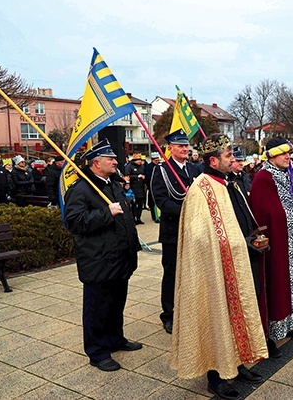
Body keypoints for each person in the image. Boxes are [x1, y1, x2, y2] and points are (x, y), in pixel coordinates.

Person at [170, 134, 267, 400]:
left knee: (235, 316)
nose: (233, 159)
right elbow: (198, 235)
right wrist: (227, 246)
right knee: (215, 317)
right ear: (213, 160)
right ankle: (216, 377)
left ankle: (236, 365)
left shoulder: (226, 183)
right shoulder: (200, 188)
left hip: (233, 263)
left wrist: (245, 242)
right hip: (212, 269)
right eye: (228, 156)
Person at [63, 139, 142, 372]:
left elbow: (125, 217)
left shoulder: (112, 184)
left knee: (117, 303)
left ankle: (116, 338)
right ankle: (97, 351)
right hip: (99, 260)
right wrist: (106, 212)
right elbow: (74, 222)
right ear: (96, 163)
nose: (116, 161)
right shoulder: (81, 188)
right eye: (111, 159)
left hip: (120, 257)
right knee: (98, 307)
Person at [249, 137, 293, 346]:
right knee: (276, 287)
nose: (288, 157)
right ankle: (271, 333)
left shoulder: (288, 175)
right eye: (282, 153)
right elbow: (263, 214)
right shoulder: (263, 178)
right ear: (271, 156)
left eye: (289, 153)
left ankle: (292, 322)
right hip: (277, 246)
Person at [151, 129, 203, 334]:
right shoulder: (162, 170)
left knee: (193, 271)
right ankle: (169, 314)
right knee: (171, 273)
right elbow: (161, 200)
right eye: (180, 146)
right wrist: (185, 210)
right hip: (173, 230)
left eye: (186, 145)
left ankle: (189, 309)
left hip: (195, 229)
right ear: (170, 148)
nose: (184, 149)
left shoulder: (195, 169)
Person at [124, 154, 146, 224]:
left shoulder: (142, 167)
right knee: (134, 205)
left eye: (140, 160)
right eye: (138, 160)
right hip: (133, 188)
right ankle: (133, 219)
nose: (139, 161)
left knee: (140, 204)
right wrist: (137, 176)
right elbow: (127, 176)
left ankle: (139, 218)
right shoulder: (129, 167)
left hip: (141, 188)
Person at [145, 152, 161, 222]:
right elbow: (148, 177)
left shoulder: (160, 166)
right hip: (152, 186)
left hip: (159, 186)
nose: (157, 161)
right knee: (152, 202)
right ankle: (154, 216)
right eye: (155, 160)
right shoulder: (148, 167)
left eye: (158, 160)